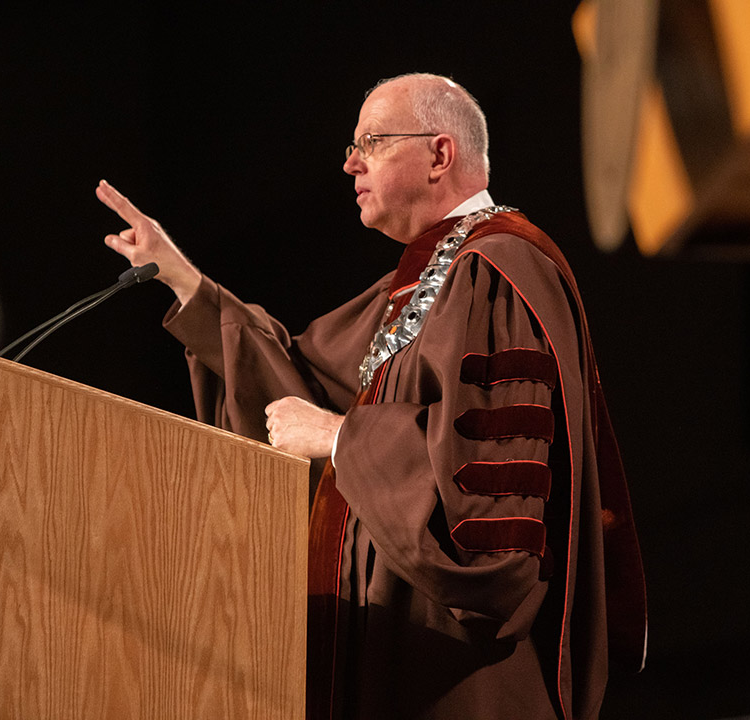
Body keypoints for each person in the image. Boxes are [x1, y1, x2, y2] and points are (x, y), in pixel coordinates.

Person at [97, 73, 645, 720]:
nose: (349, 162)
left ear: (441, 154)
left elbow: (493, 503)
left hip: (455, 670)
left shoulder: (500, 268)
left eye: (373, 142)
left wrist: (339, 438)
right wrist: (185, 281)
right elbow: (294, 389)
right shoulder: (421, 283)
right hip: (384, 647)